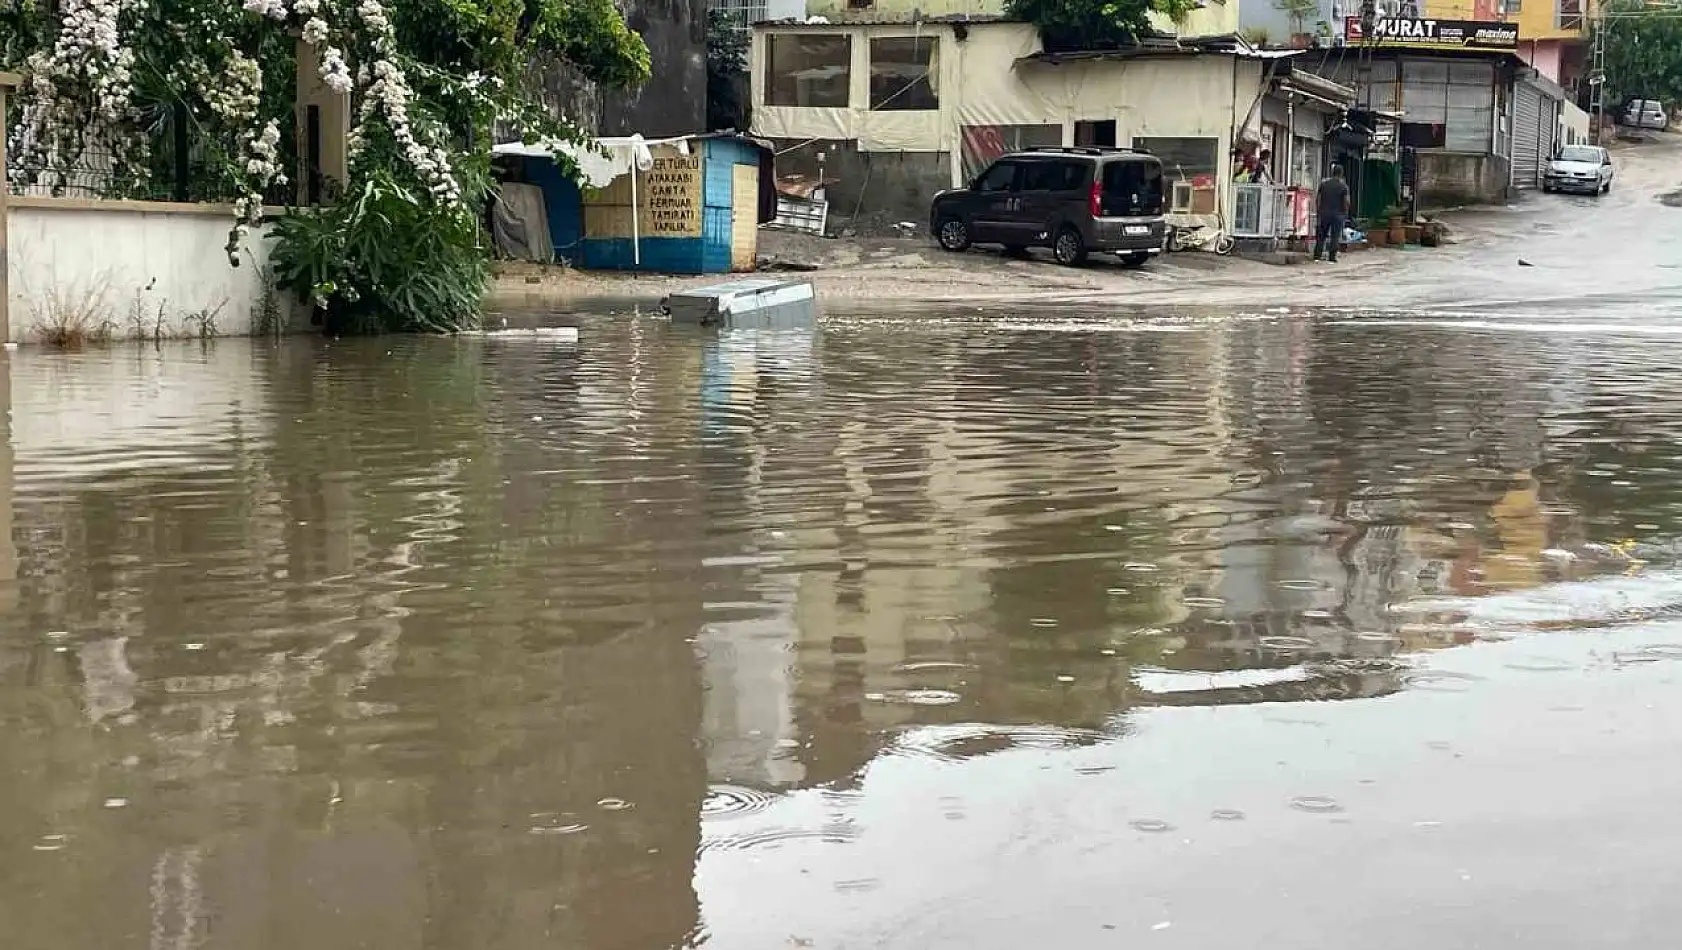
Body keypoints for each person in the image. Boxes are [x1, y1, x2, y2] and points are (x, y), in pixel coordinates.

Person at [1313, 165, 1350, 262]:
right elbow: (1346, 202)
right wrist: (1345, 213)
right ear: (1341, 174)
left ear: (1332, 172)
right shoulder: (1343, 186)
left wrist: (1318, 211)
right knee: (1335, 236)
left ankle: (1317, 255)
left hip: (1324, 213)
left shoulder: (1324, 184)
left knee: (1321, 235)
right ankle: (1332, 257)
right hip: (1338, 215)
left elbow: (1318, 199)